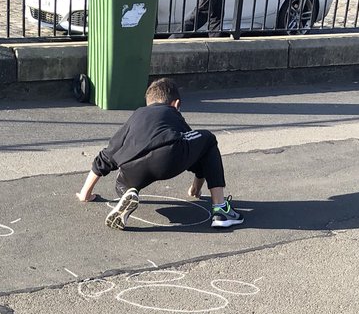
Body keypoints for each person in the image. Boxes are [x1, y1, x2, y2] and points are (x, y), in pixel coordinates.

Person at [77, 77, 244, 230]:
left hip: (132, 167)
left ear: (148, 103)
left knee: (122, 185)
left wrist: (86, 194)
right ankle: (221, 209)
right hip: (167, 157)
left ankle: (128, 194)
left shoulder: (137, 115)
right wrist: (196, 188)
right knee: (208, 139)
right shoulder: (171, 113)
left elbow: (107, 155)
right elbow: (200, 154)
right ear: (176, 104)